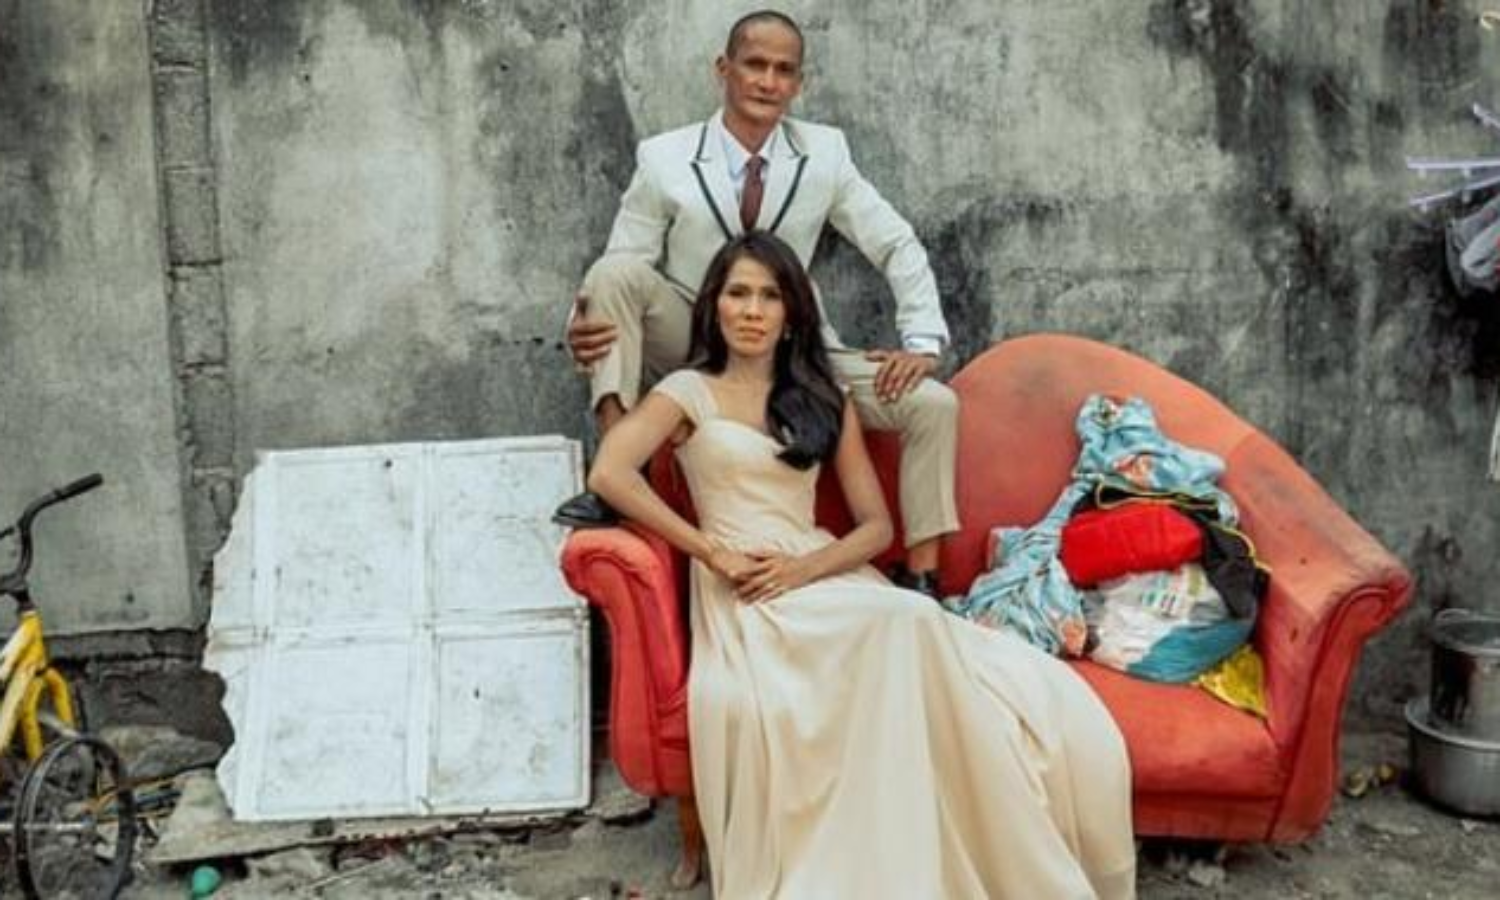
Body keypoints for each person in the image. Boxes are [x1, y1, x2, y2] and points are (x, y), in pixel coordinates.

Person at [588, 231, 1137, 898]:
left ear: (792, 314)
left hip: (820, 569)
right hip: (743, 589)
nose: (753, 311)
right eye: (738, 294)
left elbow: (875, 527)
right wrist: (712, 551)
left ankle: (934, 846)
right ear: (715, 305)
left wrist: (804, 569)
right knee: (903, 623)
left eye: (770, 296)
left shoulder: (821, 396)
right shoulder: (687, 391)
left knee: (911, 621)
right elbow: (610, 472)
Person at [556, 9, 955, 595]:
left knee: (934, 404)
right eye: (755, 65)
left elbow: (894, 242)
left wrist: (921, 341)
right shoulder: (664, 157)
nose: (768, 81)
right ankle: (618, 472)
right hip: (692, 339)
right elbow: (623, 264)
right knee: (613, 274)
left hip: (793, 348)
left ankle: (922, 576)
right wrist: (585, 320)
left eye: (783, 70)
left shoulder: (825, 153)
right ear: (724, 69)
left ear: (798, 83)